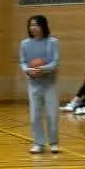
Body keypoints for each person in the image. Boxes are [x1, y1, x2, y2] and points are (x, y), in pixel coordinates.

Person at [20, 15, 60, 154]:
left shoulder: (53, 42)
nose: (33, 28)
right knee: (35, 116)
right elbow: (23, 62)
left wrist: (42, 69)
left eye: (36, 25)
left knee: (52, 114)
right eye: (31, 25)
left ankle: (54, 143)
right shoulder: (24, 44)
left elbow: (55, 62)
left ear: (43, 26)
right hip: (33, 84)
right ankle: (38, 143)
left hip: (49, 83)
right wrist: (28, 70)